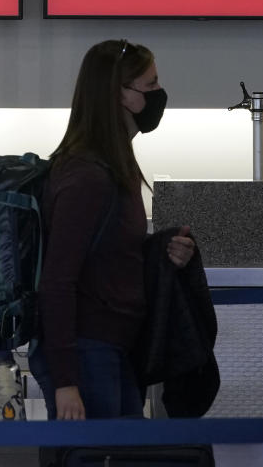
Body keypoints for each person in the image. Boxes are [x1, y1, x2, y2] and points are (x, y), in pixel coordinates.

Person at [30, 39, 195, 421]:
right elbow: (57, 281)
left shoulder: (111, 165)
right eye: (149, 85)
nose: (159, 94)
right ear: (118, 95)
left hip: (108, 347)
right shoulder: (87, 176)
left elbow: (108, 252)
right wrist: (66, 382)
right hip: (87, 354)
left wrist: (163, 250)